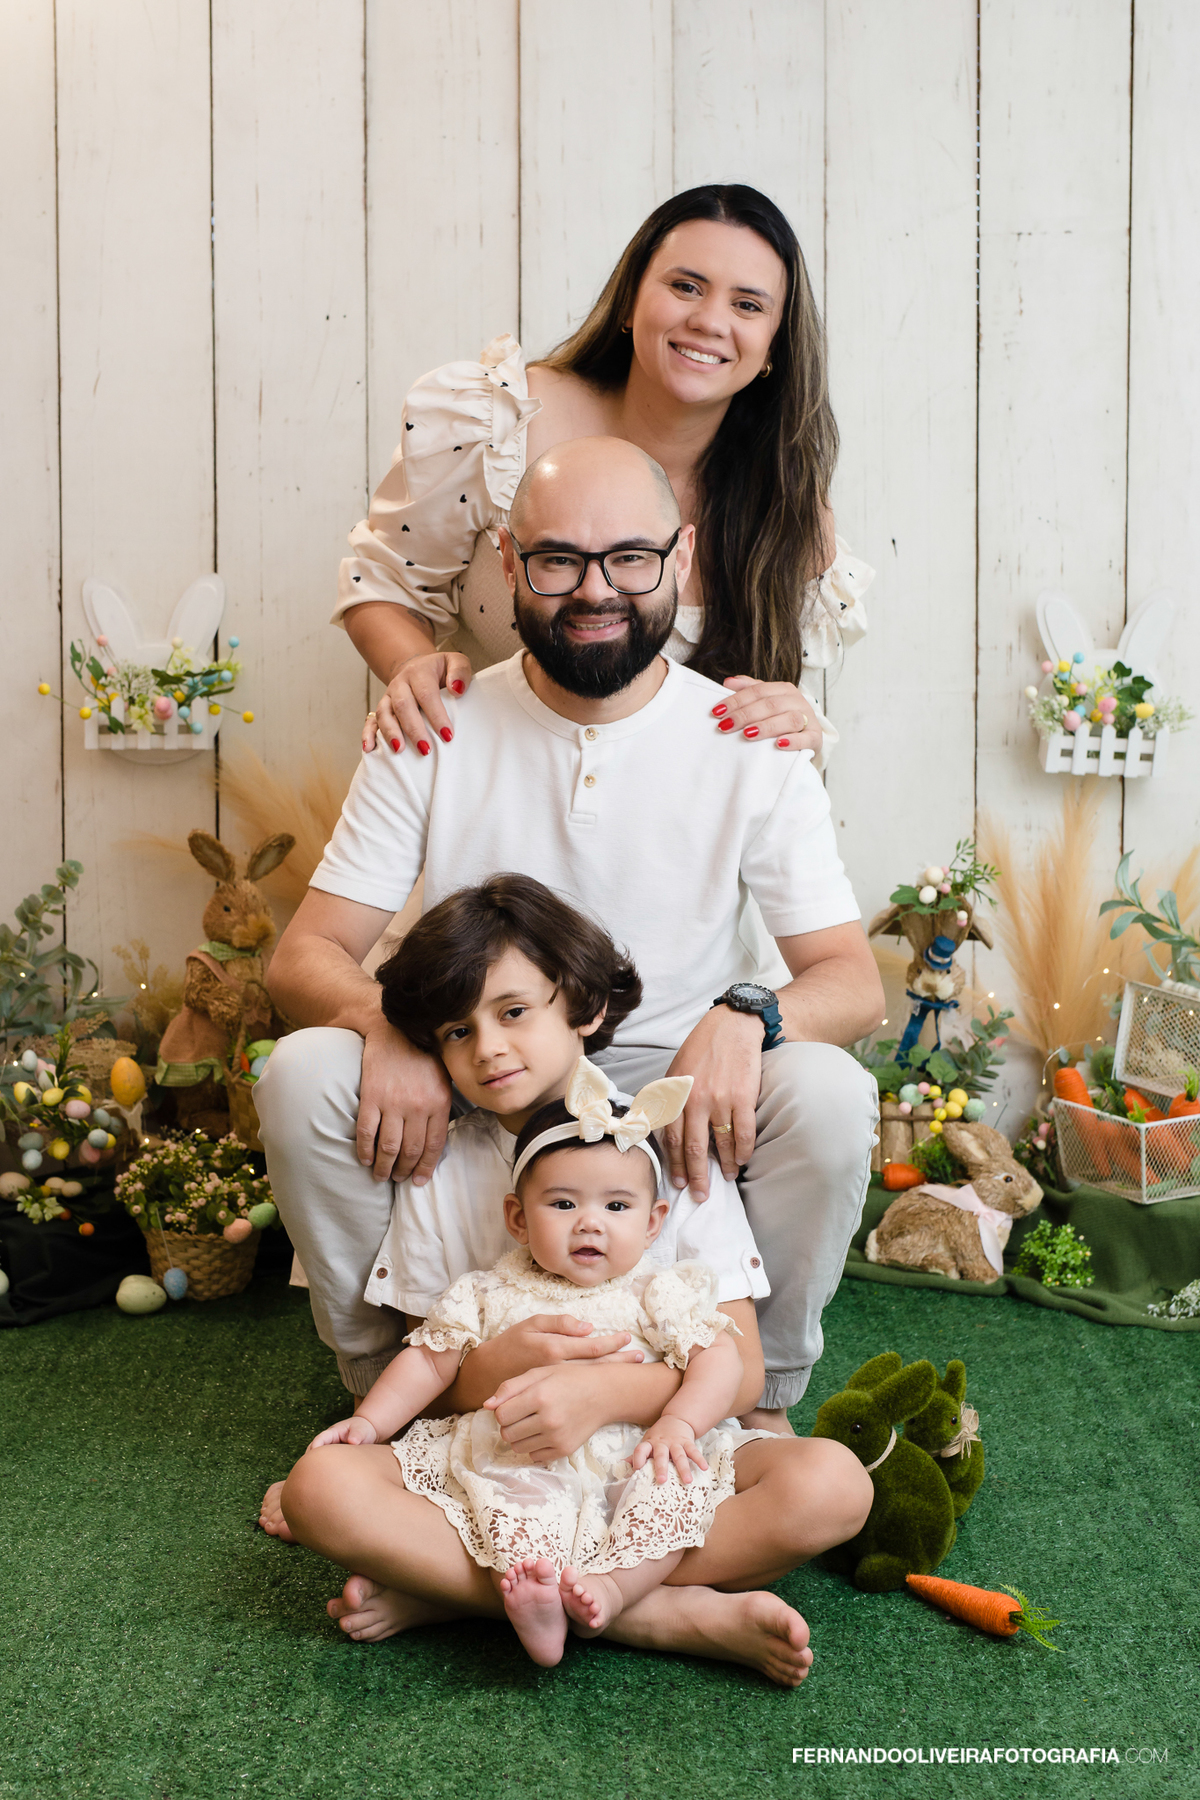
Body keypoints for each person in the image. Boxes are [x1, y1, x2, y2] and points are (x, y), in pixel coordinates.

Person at [255, 434, 882, 1676]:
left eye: (630, 557)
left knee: (828, 1086)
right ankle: (402, 1403)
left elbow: (851, 983)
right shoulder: (436, 723)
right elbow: (302, 958)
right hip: (484, 1088)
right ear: (510, 563)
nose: (596, 588)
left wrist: (747, 1014)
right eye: (558, 560)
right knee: (303, 1069)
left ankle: (752, 1402)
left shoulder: (745, 735)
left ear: (681, 559)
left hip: (675, 1115)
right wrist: (388, 1023)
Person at [335, 184, 873, 768]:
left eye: (748, 305)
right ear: (629, 301)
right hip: (486, 794)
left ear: (774, 346)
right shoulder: (501, 425)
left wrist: (796, 721)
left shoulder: (788, 505)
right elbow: (382, 585)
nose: (710, 321)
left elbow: (783, 706)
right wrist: (413, 666)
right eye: (686, 286)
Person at [283, 1066, 786, 1673]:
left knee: (698, 1487)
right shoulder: (486, 1290)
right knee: (332, 1485)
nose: (590, 1222)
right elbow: (429, 1360)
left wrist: (680, 1421)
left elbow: (719, 1357)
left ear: (653, 1222)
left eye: (617, 1205)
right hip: (516, 1458)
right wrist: (370, 1422)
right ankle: (625, 1608)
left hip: (635, 1456)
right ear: (518, 1219)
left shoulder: (660, 1290)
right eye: (563, 1203)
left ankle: (546, 1595)